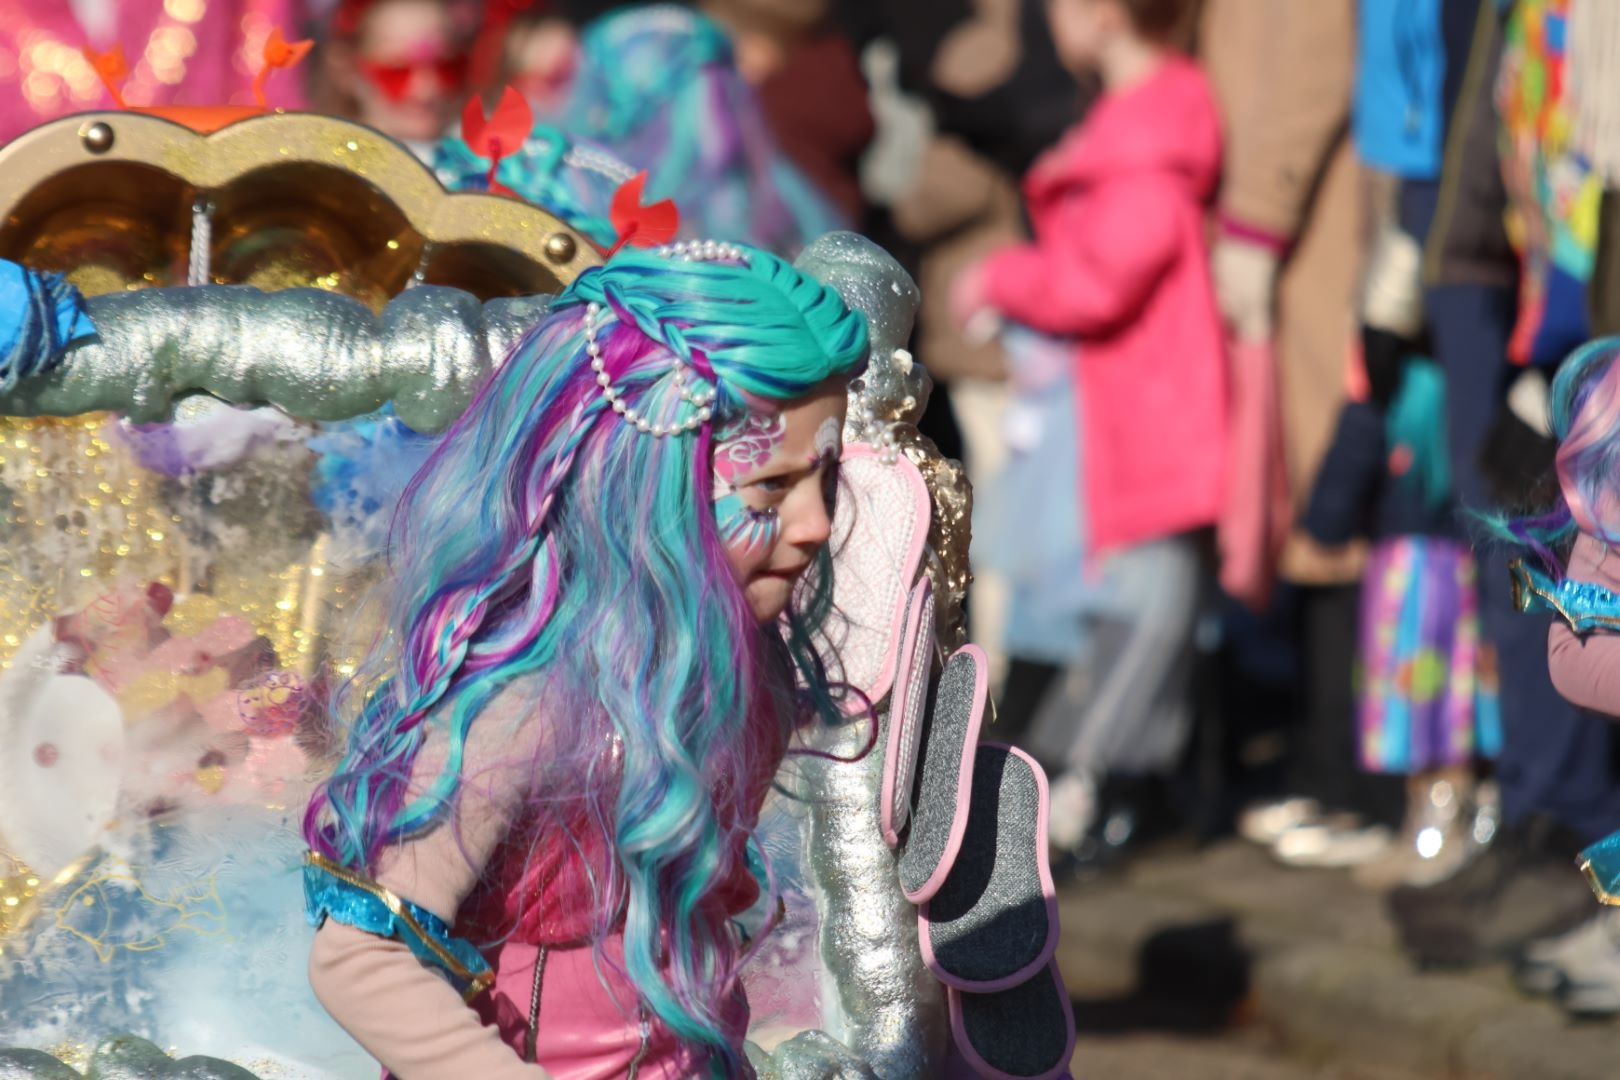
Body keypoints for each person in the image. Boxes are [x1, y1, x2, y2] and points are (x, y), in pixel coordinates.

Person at [302, 243, 869, 1076]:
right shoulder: (518, 700)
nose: (817, 524)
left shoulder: (739, 677)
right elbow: (359, 957)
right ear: (640, 491)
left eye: (824, 479)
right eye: (771, 490)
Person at [951, 0, 1225, 870]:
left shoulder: (1150, 135)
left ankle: (1100, 794)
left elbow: (1101, 278)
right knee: (1116, 617)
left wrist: (1003, 275)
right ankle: (1089, 793)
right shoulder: (1133, 122)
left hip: (1142, 414)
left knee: (1138, 620)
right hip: (1119, 413)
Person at [314, 0, 477, 158]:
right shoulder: (330, 164)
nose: (426, 90)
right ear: (347, 69)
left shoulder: (476, 161)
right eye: (398, 72)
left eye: (446, 67)